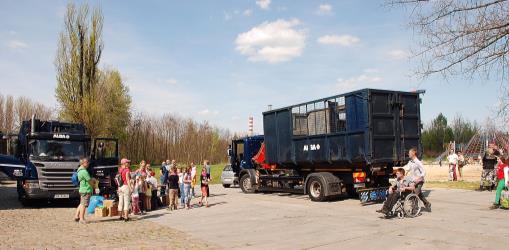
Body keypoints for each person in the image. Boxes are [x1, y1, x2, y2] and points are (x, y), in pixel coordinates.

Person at [74, 157, 94, 224]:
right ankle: (81, 219)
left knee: (81, 203)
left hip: (82, 189)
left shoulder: (79, 170)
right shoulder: (84, 171)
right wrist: (93, 185)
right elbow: (89, 181)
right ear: (84, 163)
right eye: (87, 163)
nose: (88, 164)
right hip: (86, 190)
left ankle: (76, 216)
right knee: (84, 205)